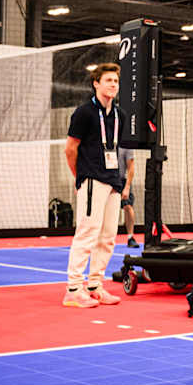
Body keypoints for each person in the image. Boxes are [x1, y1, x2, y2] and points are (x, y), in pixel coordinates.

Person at [63, 63, 126, 308]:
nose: (113, 84)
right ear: (96, 83)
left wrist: (120, 180)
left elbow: (116, 149)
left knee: (108, 236)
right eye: (108, 80)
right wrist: (80, 177)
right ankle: (73, 288)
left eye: (116, 81)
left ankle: (94, 284)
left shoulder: (119, 115)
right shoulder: (84, 112)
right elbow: (70, 148)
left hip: (112, 180)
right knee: (87, 233)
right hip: (92, 179)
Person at [120, 147, 139, 247]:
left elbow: (131, 167)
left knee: (128, 207)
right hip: (107, 179)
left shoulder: (126, 146)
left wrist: (127, 187)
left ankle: (130, 237)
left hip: (121, 181)